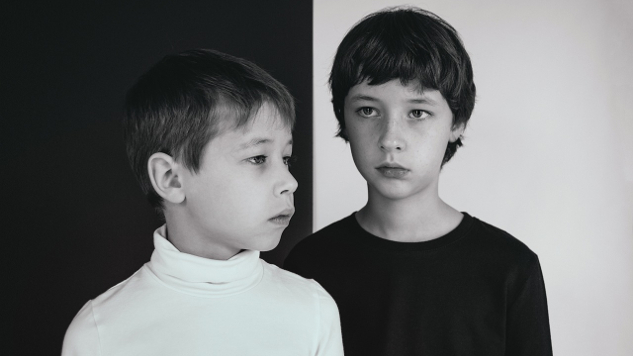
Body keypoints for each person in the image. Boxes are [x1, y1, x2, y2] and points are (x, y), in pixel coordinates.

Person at [284, 7, 552, 356]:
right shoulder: (309, 265)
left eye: (418, 112)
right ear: (343, 119)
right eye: (368, 110)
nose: (390, 138)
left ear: (457, 122)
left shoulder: (511, 269)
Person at [62, 49, 343, 356]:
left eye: (286, 158)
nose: (290, 182)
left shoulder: (312, 310)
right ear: (171, 178)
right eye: (257, 158)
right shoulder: (99, 333)